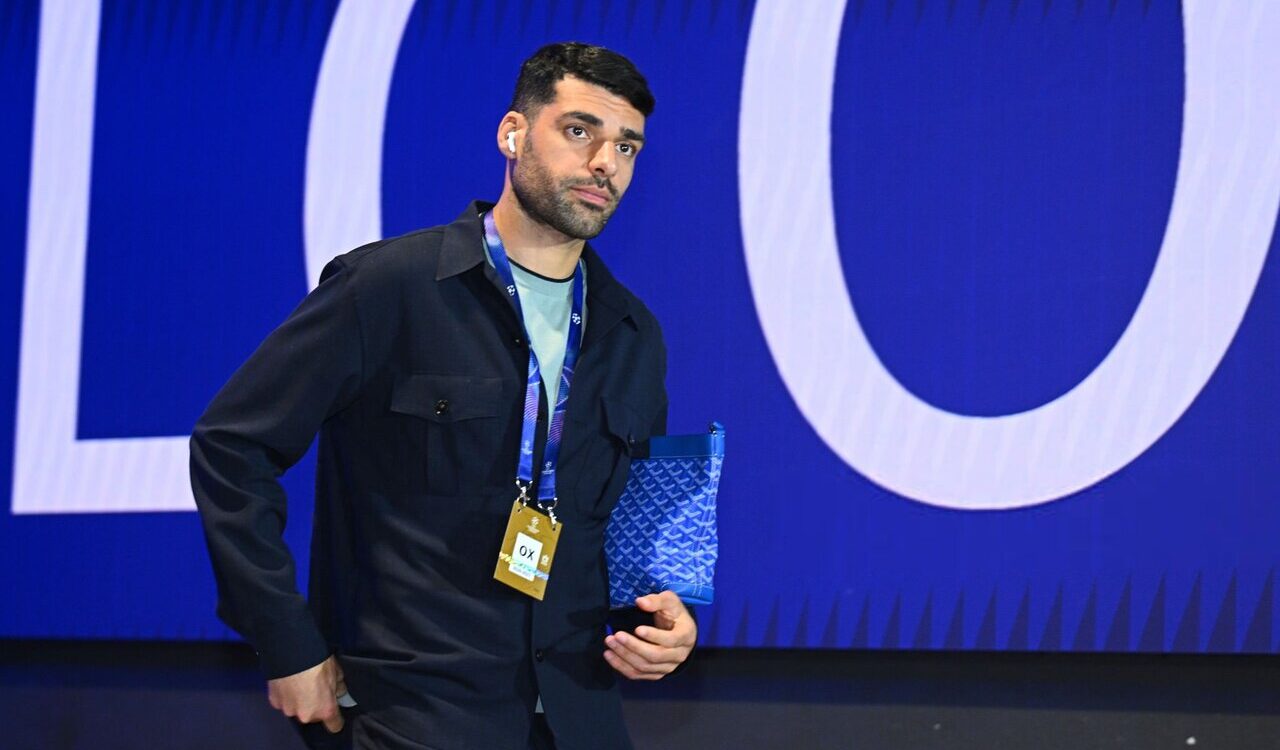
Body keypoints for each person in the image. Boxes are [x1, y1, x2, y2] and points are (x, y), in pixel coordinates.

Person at [190, 42, 696, 749]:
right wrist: (286, 642)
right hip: (415, 716)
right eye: (579, 131)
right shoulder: (386, 288)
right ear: (513, 133)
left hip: (579, 718)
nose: (604, 163)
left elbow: (631, 527)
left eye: (626, 146)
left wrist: (664, 625)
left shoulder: (633, 333)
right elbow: (231, 448)